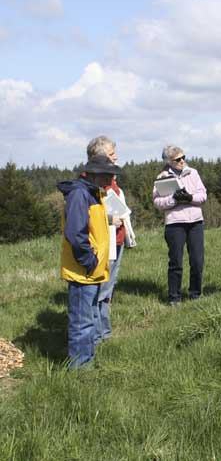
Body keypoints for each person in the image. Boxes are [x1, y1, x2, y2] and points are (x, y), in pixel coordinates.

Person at [57, 155, 121, 369]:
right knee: (82, 324)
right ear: (93, 174)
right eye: (107, 175)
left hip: (92, 271)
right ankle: (80, 370)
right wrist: (90, 261)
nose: (111, 179)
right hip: (83, 271)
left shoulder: (94, 193)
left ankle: (87, 362)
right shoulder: (79, 194)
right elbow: (76, 234)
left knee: (89, 321)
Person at [86, 136, 136, 342]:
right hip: (103, 241)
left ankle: (104, 332)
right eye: (111, 154)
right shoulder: (88, 182)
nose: (116, 157)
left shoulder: (111, 180)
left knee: (108, 289)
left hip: (117, 240)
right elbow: (87, 213)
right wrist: (108, 218)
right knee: (100, 289)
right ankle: (97, 335)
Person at [152, 145, 207, 305]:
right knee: (176, 261)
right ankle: (174, 297)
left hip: (195, 222)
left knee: (197, 261)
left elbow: (203, 195)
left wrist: (190, 198)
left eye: (183, 157)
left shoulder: (193, 172)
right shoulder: (162, 178)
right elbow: (157, 202)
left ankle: (195, 293)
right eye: (178, 159)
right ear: (169, 161)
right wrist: (174, 199)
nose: (182, 161)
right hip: (175, 223)